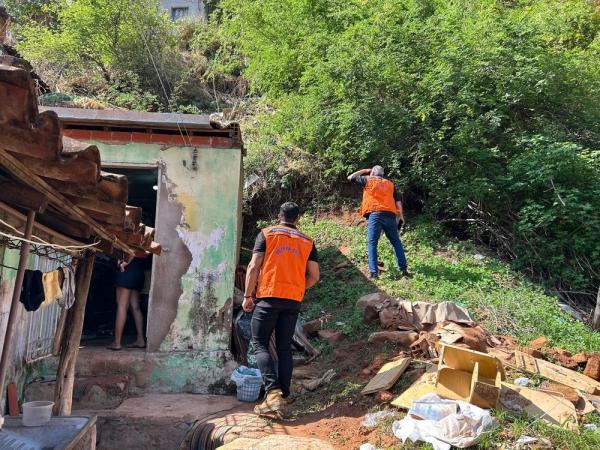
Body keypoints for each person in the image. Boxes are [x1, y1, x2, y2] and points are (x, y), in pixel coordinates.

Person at [243, 202, 320, 419]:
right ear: (298, 219)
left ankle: (273, 393)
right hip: (292, 301)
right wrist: (295, 288)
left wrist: (249, 295)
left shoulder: (267, 234)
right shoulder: (307, 241)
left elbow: (254, 265)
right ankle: (283, 395)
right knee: (284, 347)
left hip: (268, 297)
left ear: (279, 216)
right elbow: (314, 276)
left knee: (259, 343)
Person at [348, 165, 411, 279]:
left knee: (372, 243)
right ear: (382, 174)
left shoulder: (367, 179)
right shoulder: (390, 184)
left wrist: (366, 170)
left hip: (375, 214)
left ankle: (374, 273)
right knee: (396, 241)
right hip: (390, 215)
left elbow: (350, 177)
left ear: (373, 173)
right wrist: (401, 216)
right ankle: (403, 269)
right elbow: (397, 201)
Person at [107, 251, 149, 351]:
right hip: (139, 271)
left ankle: (117, 342)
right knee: (135, 307)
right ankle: (140, 340)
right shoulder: (146, 239)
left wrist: (125, 261)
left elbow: (131, 250)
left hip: (127, 270)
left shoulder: (133, 236)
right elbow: (146, 253)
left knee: (122, 306)